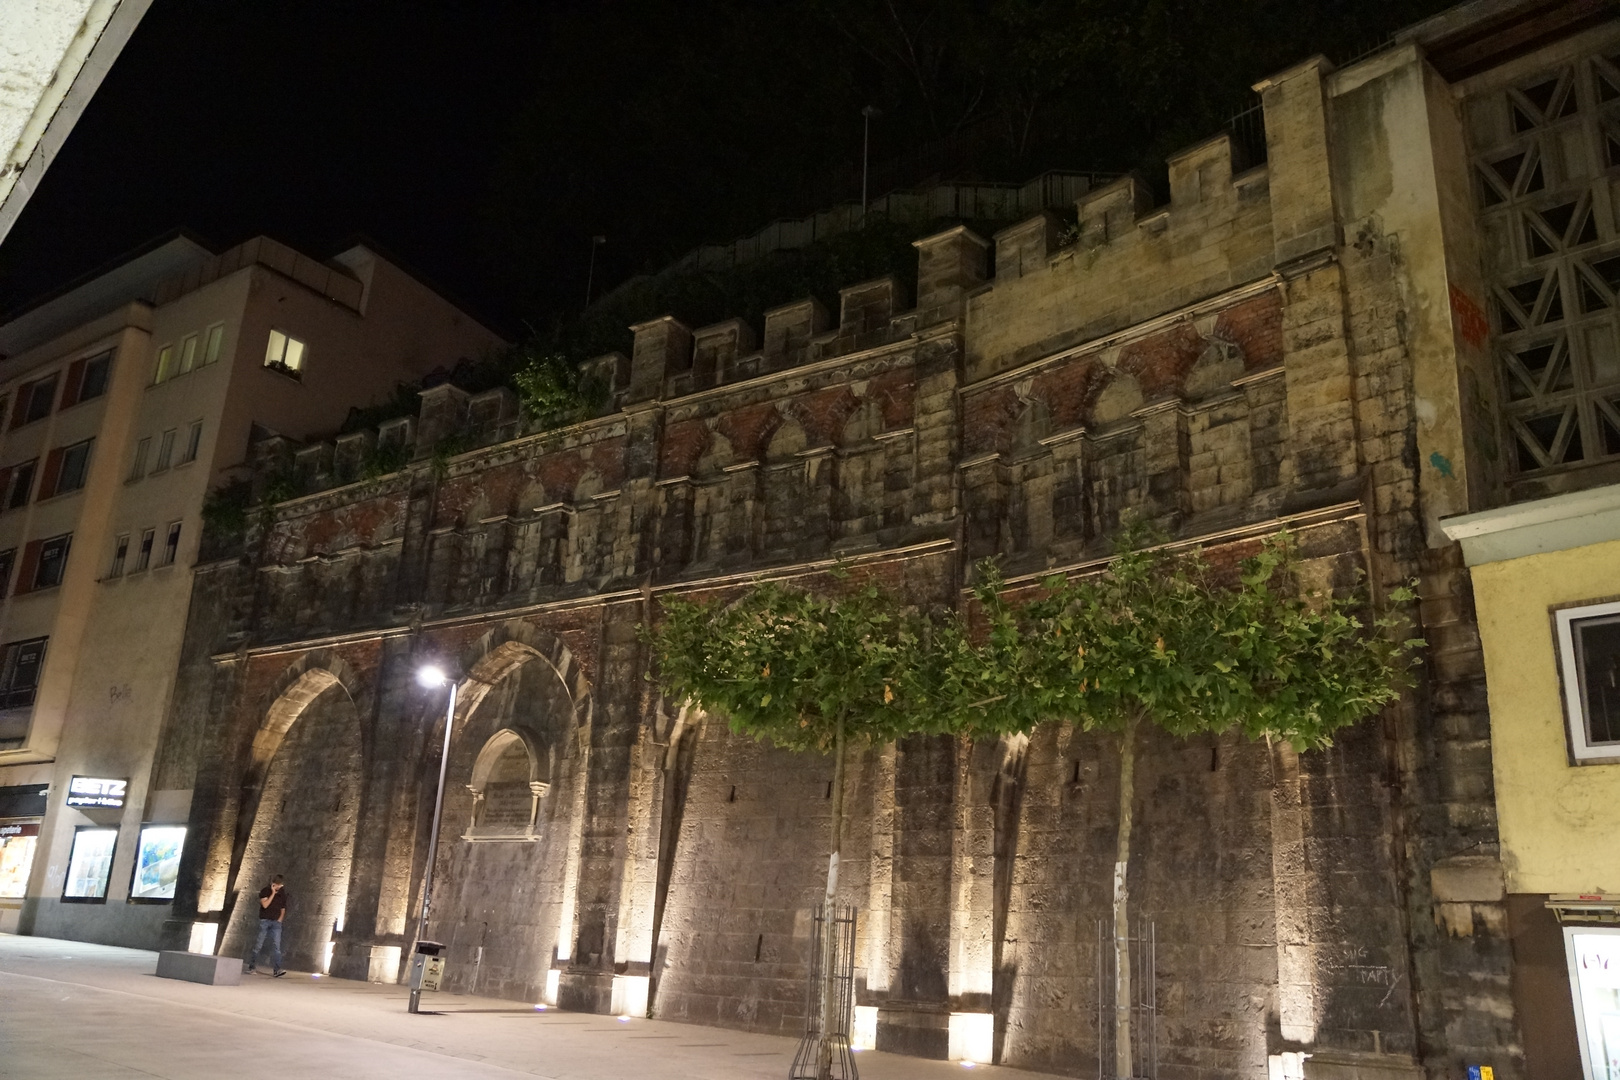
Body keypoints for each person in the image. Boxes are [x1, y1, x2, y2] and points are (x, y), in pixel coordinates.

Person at [243, 874, 288, 977]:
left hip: (276, 923)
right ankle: (252, 967)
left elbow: (283, 908)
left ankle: (277, 970)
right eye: (278, 885)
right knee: (258, 945)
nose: (280, 887)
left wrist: (280, 919)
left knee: (277, 947)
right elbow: (265, 905)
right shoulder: (265, 891)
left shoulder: (282, 894)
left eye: (281, 886)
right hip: (265, 921)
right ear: (274, 884)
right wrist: (272, 893)